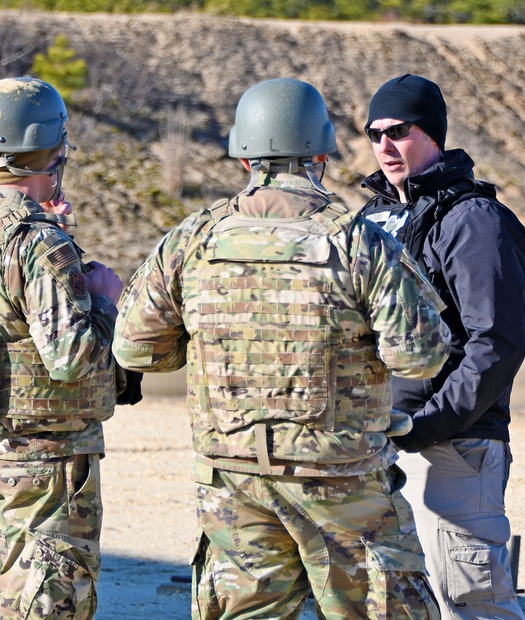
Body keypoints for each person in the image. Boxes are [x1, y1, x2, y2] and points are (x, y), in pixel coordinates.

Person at [112, 77, 451, 619]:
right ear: (320, 152)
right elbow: (419, 357)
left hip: (234, 480)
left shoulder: (193, 239)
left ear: (244, 156)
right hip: (341, 481)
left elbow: (136, 350)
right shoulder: (357, 239)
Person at [0, 77, 128, 620]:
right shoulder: (37, 240)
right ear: (51, 148)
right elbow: (72, 357)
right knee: (47, 600)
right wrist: (107, 302)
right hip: (46, 459)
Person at [359, 73, 525, 620]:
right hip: (376, 447)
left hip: (455, 446)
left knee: (471, 601)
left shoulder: (474, 221)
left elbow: (495, 345)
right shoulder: (371, 220)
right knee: (391, 603)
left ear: (432, 133)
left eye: (399, 131)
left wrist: (427, 424)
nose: (385, 146)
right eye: (374, 133)